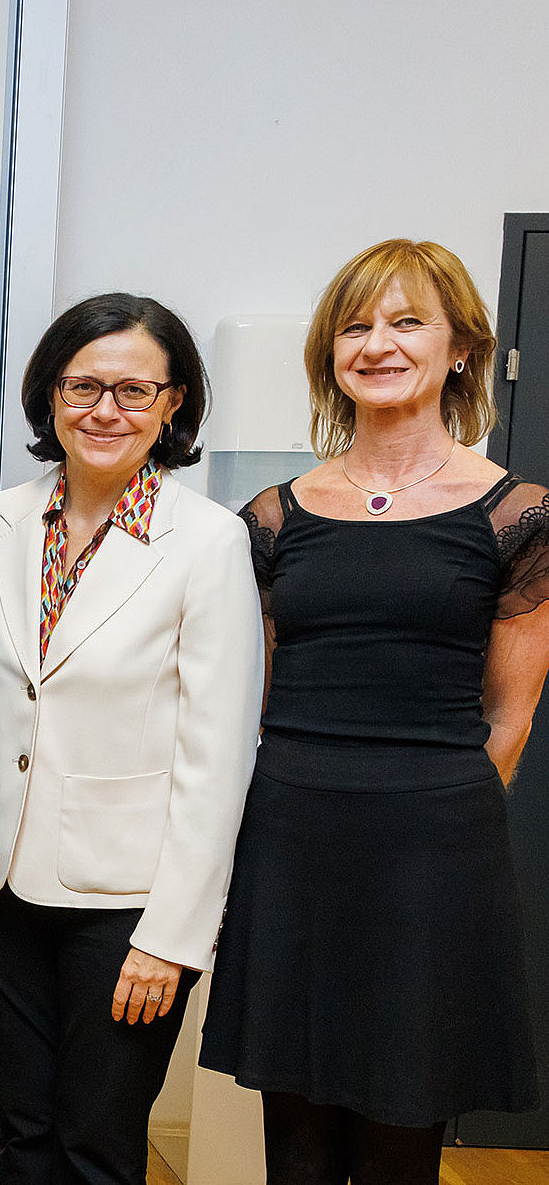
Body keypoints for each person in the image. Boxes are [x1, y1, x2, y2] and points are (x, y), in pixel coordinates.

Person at [201, 239, 548, 1183]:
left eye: (407, 322)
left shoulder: (517, 513)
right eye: (355, 325)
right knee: (298, 1141)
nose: (379, 344)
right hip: (292, 838)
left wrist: (433, 807)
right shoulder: (273, 515)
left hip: (433, 851)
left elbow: (510, 716)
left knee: (403, 1134)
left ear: (461, 347)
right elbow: (253, 695)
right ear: (329, 354)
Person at [0, 293, 263, 1185]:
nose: (105, 410)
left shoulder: (208, 542)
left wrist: (174, 934)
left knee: (97, 1143)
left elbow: (219, 756)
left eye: (134, 390)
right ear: (50, 395)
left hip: (128, 903)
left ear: (174, 405)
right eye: (84, 385)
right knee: (25, 1133)